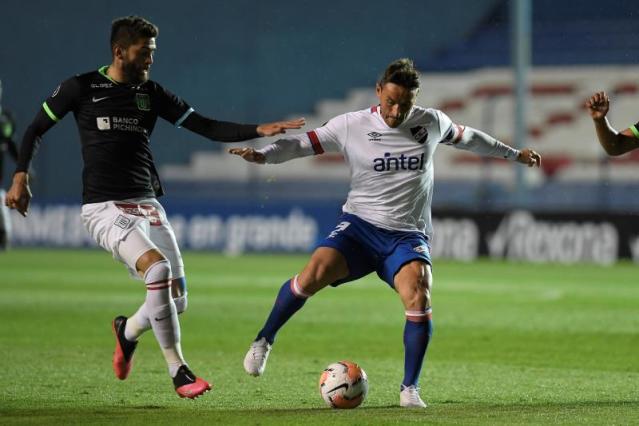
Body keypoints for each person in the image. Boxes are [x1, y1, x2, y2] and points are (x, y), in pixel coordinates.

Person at [5, 16, 304, 399]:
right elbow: (34, 130)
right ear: (119, 52)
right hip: (103, 205)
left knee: (175, 300)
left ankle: (126, 331)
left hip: (146, 202)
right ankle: (178, 370)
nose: (150, 59)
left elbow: (205, 126)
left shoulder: (152, 93)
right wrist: (19, 176)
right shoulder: (80, 87)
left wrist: (258, 129)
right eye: (144, 52)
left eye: (153, 52)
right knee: (157, 269)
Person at [230, 58, 541, 408]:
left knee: (419, 295)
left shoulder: (431, 121)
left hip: (407, 235)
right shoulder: (351, 125)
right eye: (390, 101)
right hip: (360, 228)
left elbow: (470, 138)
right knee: (312, 274)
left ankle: (410, 389)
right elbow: (304, 144)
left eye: (404, 104)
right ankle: (263, 340)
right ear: (379, 91)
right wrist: (264, 156)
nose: (396, 111)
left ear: (415, 100)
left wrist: (514, 155)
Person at [0, 79, 19, 251]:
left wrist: (23, 167)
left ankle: (5, 238)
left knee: (1, 203)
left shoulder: (3, 120)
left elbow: (11, 144)